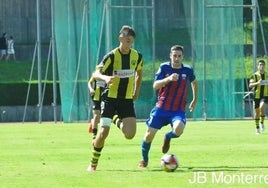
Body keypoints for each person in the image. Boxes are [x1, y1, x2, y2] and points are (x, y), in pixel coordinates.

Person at [87, 25, 143, 172]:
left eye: (131, 42)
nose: (129, 44)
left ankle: (115, 119)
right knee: (104, 132)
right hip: (109, 99)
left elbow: (139, 73)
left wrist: (136, 91)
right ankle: (93, 164)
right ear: (120, 38)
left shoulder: (137, 56)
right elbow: (96, 72)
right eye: (127, 40)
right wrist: (105, 77)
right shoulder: (111, 56)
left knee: (130, 135)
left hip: (126, 100)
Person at [138, 45, 198, 168]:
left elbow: (194, 82)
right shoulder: (164, 68)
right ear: (170, 56)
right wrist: (168, 79)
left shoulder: (187, 70)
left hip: (178, 110)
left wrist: (194, 100)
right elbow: (155, 85)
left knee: (178, 130)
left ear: (183, 57)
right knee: (149, 135)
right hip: (161, 108)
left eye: (179, 56)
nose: (176, 58)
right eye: (174, 56)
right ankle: (144, 160)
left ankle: (168, 137)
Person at [249, 59, 268, 134]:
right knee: (257, 113)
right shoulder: (254, 75)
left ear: (265, 66)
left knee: (262, 107)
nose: (261, 66)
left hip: (265, 95)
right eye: (260, 65)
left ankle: (262, 123)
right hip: (257, 95)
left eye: (263, 65)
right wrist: (257, 83)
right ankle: (257, 129)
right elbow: (250, 85)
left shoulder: (267, 74)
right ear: (258, 66)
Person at [87, 72, 105, 139]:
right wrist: (91, 89)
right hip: (96, 97)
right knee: (96, 115)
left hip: (105, 97)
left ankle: (93, 121)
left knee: (101, 118)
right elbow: (89, 82)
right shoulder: (95, 74)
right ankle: (94, 135)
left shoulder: (108, 73)